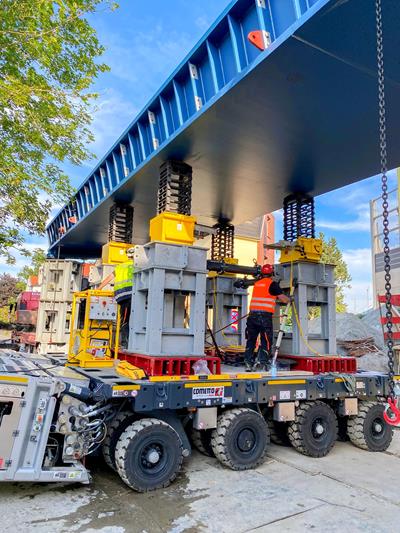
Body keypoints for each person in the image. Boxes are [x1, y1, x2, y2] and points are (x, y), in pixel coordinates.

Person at [234, 264, 290, 371]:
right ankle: (262, 362)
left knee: (251, 340)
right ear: (272, 273)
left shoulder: (257, 283)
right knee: (266, 340)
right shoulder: (272, 284)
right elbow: (284, 300)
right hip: (264, 317)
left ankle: (248, 363)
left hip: (252, 316)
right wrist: (290, 298)